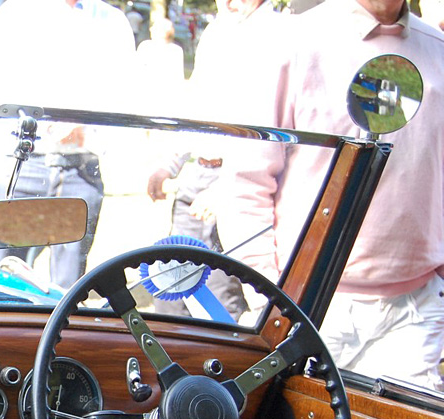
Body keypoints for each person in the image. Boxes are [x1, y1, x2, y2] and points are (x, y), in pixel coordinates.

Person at [219, 0, 444, 389]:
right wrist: (270, 297)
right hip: (309, 307)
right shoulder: (292, 44)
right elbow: (246, 182)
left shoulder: (437, 50)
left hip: (416, 309)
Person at [0, 0, 137, 289]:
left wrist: (86, 126)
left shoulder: (112, 21)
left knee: (67, 288)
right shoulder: (16, 12)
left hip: (79, 168)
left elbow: (126, 94)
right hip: (19, 163)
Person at [143, 0, 283, 320]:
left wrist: (226, 191)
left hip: (241, 189)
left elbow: (273, 135)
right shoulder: (217, 31)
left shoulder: (278, 37)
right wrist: (170, 163)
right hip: (197, 177)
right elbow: (198, 107)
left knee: (219, 301)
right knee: (168, 289)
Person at [135, 17, 185, 113]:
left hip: (148, 96)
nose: (151, 29)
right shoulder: (176, 50)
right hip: (165, 99)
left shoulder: (145, 46)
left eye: (154, 27)